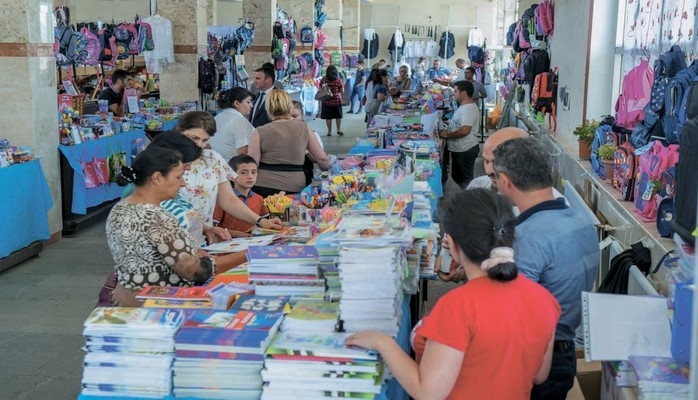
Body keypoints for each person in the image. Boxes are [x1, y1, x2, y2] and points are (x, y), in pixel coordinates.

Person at [346, 188, 560, 400]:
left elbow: (427, 391)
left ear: (453, 246)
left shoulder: (459, 306)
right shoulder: (544, 299)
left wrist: (383, 343)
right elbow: (540, 375)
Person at [493, 137, 600, 400]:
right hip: (563, 350)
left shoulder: (528, 236)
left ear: (505, 181)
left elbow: (513, 312)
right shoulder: (580, 220)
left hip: (538, 357)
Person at [107, 146, 214, 307]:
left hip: (129, 300)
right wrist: (208, 260)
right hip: (159, 304)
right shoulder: (156, 217)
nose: (183, 183)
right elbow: (192, 270)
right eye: (178, 177)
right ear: (157, 178)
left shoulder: (119, 208)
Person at [175, 111, 284, 230]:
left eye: (205, 140)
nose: (199, 145)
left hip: (204, 236)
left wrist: (260, 221)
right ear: (180, 131)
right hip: (171, 235)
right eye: (194, 138)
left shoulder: (212, 159)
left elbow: (228, 199)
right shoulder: (165, 159)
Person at [247, 89, 331, 196]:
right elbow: (322, 158)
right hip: (293, 186)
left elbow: (252, 164)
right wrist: (328, 171)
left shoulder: (259, 132)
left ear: (268, 109)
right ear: (290, 108)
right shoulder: (305, 129)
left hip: (263, 186)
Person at [438, 80, 480, 189]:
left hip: (466, 149)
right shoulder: (464, 106)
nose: (453, 93)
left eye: (456, 91)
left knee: (465, 181)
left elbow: (465, 130)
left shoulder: (468, 109)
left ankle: (469, 202)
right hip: (460, 148)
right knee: (457, 177)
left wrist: (447, 135)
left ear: (464, 93)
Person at [213, 154, 268, 237]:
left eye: (253, 172)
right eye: (244, 172)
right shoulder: (222, 199)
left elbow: (264, 221)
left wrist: (257, 226)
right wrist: (238, 234)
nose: (250, 176)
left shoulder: (259, 198)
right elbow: (213, 228)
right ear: (231, 176)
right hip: (228, 244)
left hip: (254, 241)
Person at [210, 87, 255, 160]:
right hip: (234, 166)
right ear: (236, 103)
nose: (251, 105)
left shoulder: (217, 117)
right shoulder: (238, 120)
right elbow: (243, 151)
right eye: (248, 102)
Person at [291, 100, 325, 185]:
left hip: (305, 179)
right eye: (287, 117)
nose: (291, 119)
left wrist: (307, 152)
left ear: (302, 116)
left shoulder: (312, 135)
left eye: (294, 116)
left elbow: (321, 159)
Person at [319, 65, 344, 136]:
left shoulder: (324, 79)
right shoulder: (338, 80)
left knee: (328, 117)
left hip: (327, 100)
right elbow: (342, 90)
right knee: (338, 116)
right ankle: (338, 129)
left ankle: (329, 131)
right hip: (337, 100)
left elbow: (320, 88)